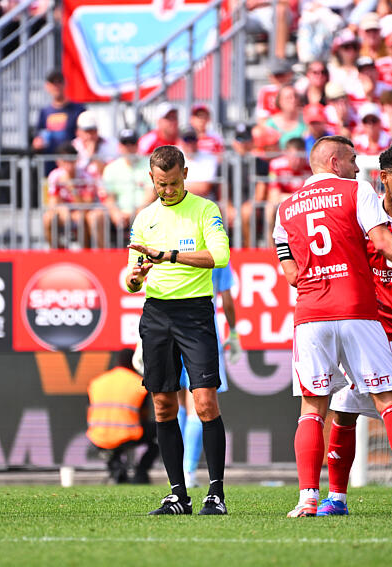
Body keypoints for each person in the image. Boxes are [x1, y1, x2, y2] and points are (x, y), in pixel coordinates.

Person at [272, 136, 392, 518]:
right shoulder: (356, 190)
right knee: (388, 399)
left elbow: (290, 272)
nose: (359, 167)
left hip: (311, 312)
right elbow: (383, 242)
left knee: (313, 407)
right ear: (335, 160)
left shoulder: (286, 206)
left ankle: (308, 497)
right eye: (354, 159)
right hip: (356, 308)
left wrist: (316, 276)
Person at [320, 145, 392, 516]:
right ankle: (337, 497)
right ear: (383, 177)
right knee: (342, 412)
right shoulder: (362, 218)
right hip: (369, 334)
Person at [125, 144, 230, 516]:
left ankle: (215, 494)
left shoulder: (205, 209)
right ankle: (177, 495)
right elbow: (130, 278)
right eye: (159, 184)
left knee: (204, 402)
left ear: (184, 173)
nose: (166, 190)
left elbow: (219, 256)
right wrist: (135, 277)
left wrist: (168, 255)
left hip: (195, 313)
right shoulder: (144, 218)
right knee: (163, 405)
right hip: (156, 315)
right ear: (150, 178)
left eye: (171, 183)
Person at [178, 263, 241, 488]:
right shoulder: (214, 247)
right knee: (197, 401)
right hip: (202, 330)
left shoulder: (169, 240)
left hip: (169, 324)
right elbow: (226, 298)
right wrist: (233, 332)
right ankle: (187, 470)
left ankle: (178, 472)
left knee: (180, 402)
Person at [86, 348, 159, 485]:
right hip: (126, 435)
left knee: (114, 443)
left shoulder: (97, 382)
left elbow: (90, 410)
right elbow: (144, 415)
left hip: (97, 437)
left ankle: (116, 468)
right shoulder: (138, 383)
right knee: (160, 433)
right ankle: (141, 473)